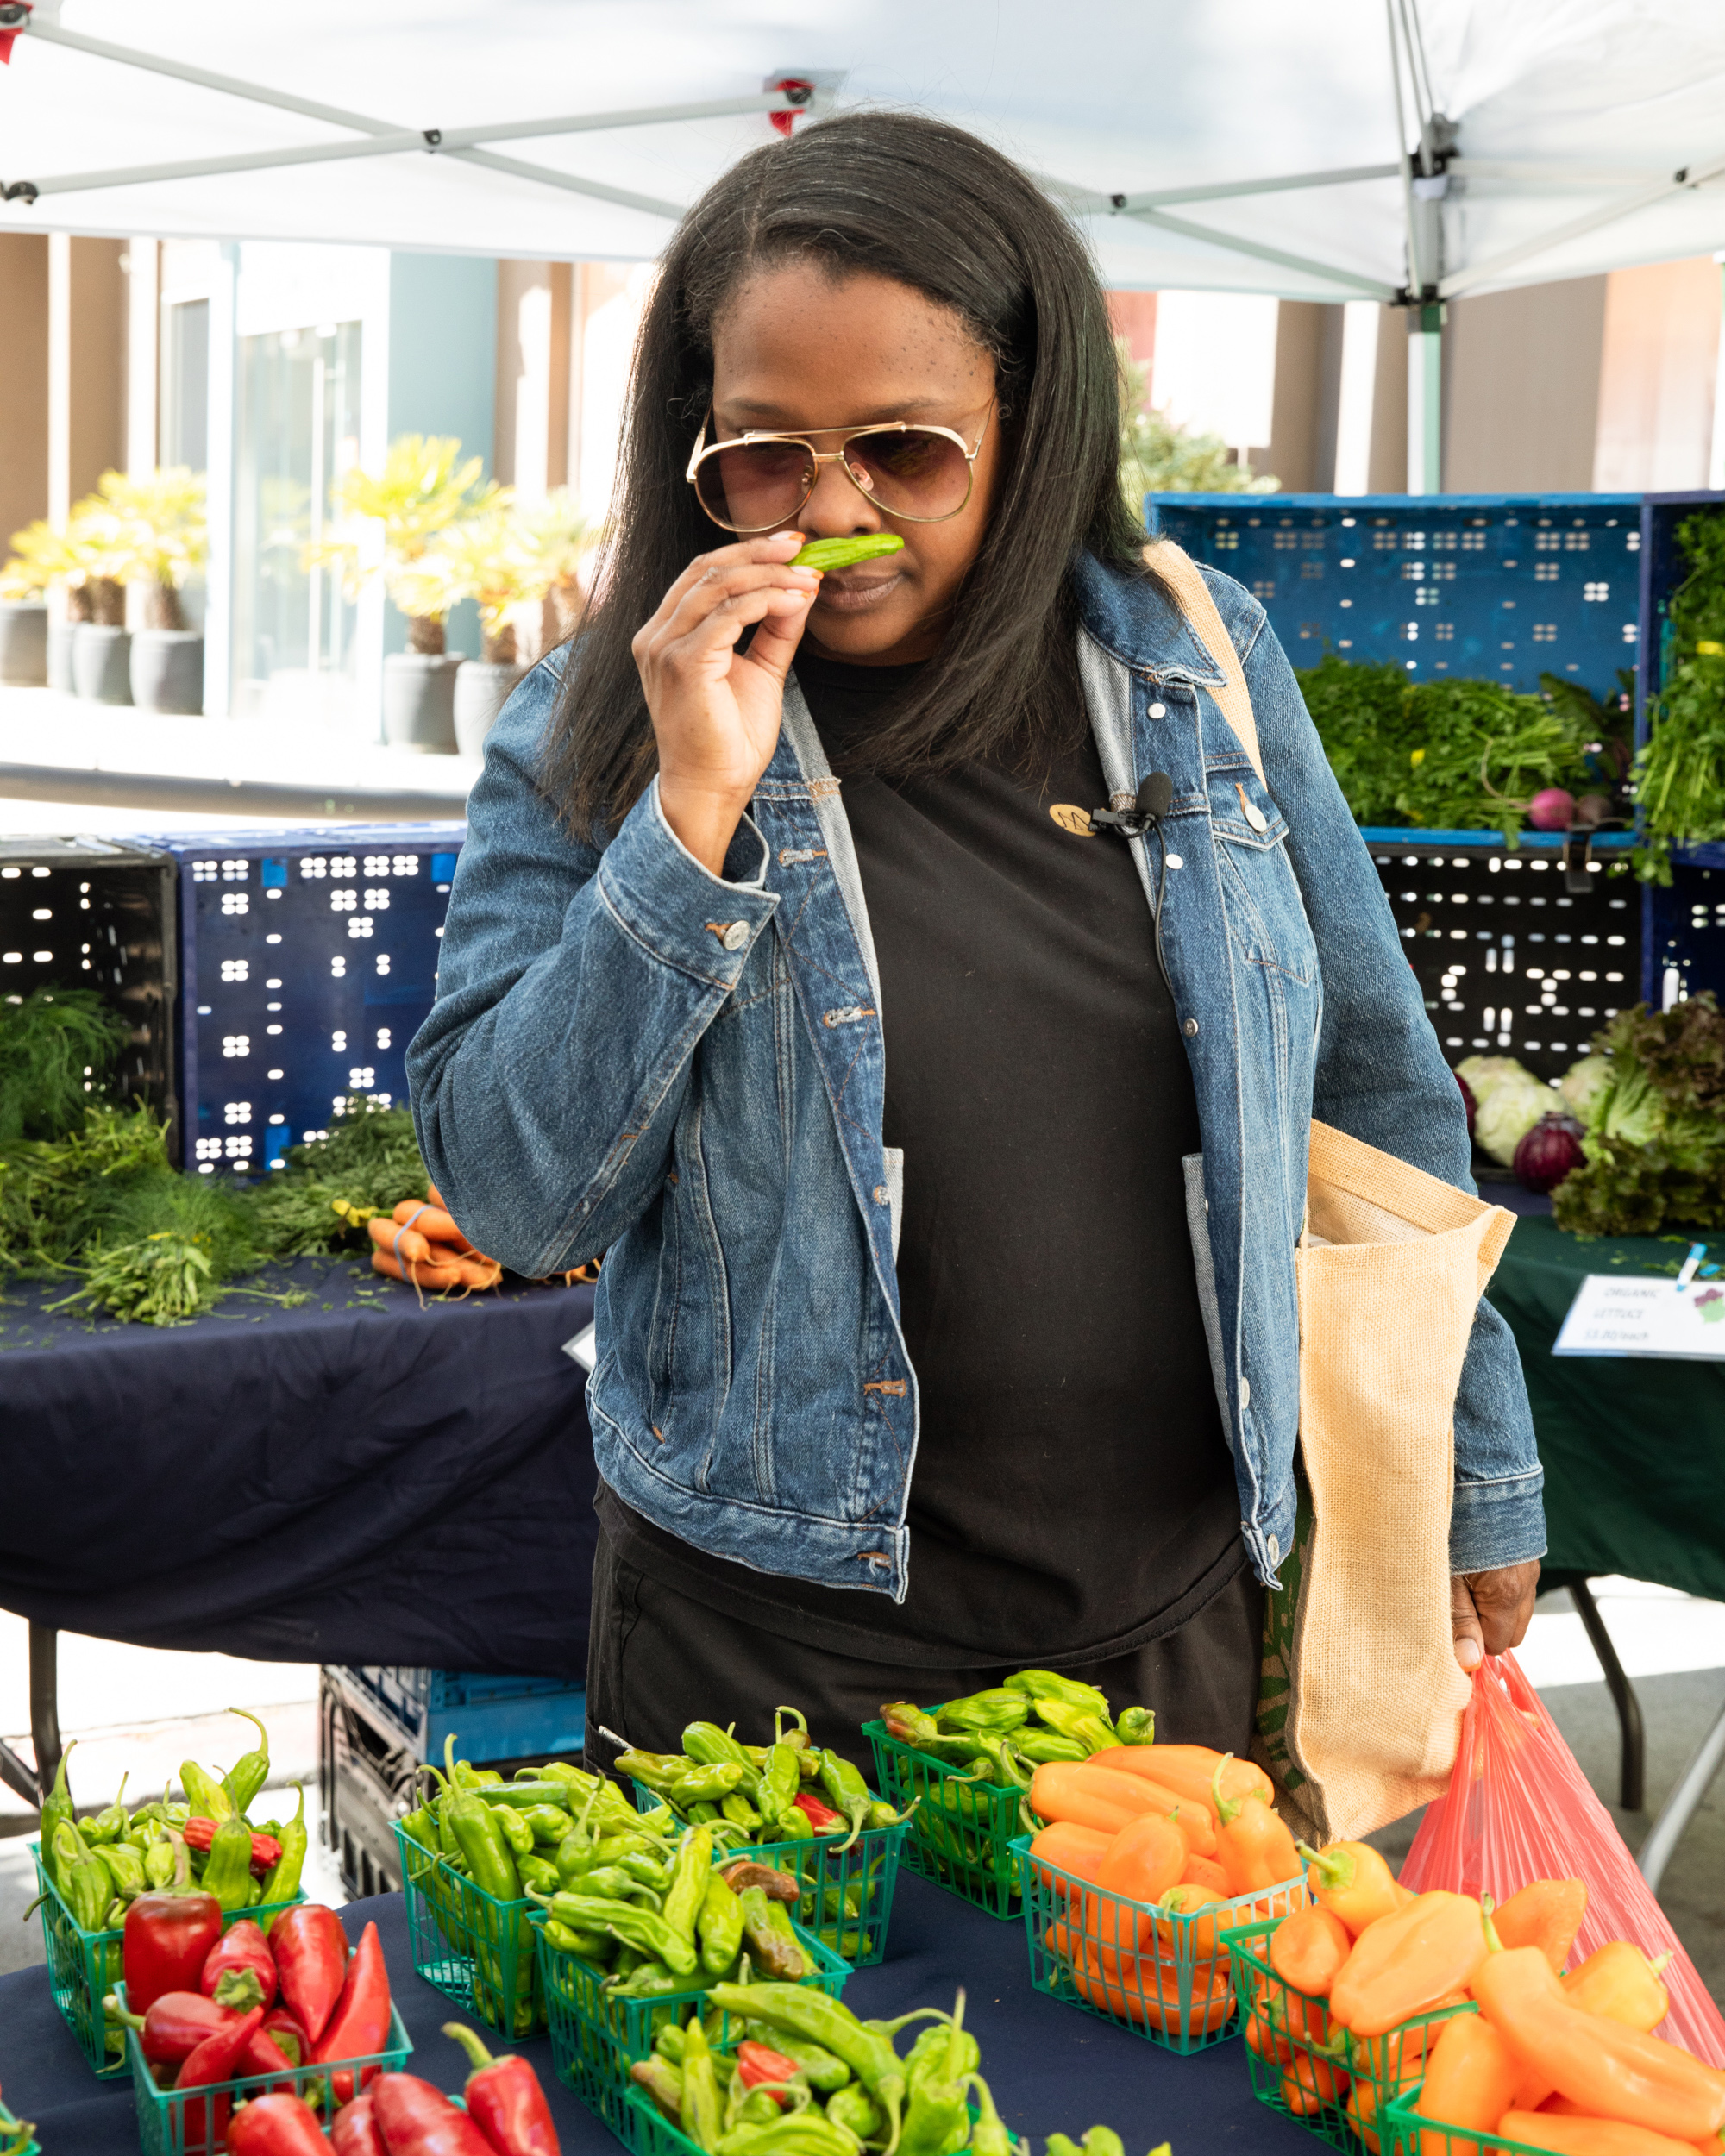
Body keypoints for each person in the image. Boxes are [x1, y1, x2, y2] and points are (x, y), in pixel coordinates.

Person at [406, 112, 1543, 1775]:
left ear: (1031, 425)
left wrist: (1473, 1466)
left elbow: (1372, 1090)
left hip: (1170, 1628)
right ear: (694, 451)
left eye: (907, 450)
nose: (834, 511)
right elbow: (515, 1193)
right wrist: (689, 817)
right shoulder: (595, 723)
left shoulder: (1198, 672)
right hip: (772, 1651)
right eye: (764, 455)